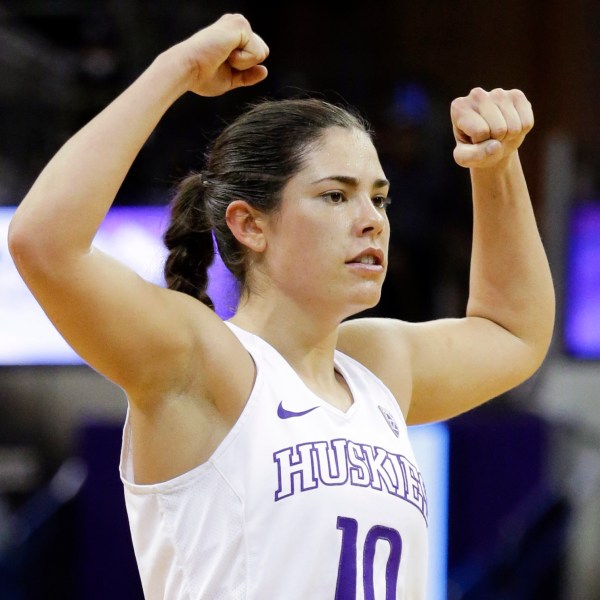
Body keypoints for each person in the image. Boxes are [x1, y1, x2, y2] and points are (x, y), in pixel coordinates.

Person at [7, 12, 554, 600]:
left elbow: (511, 332)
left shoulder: (377, 367)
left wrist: (496, 165)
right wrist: (174, 71)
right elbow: (43, 244)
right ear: (250, 225)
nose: (371, 220)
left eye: (380, 198)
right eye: (335, 195)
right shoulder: (204, 360)